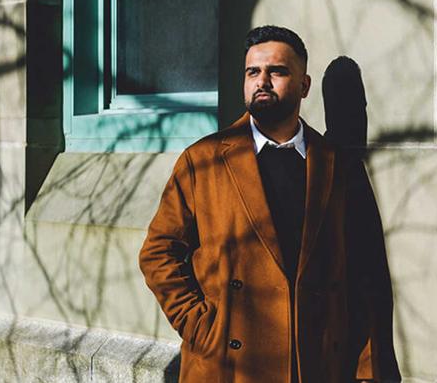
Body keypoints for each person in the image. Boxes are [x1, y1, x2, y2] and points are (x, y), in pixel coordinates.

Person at [139, 25, 401, 382]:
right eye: (252, 72)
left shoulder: (337, 165)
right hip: (228, 367)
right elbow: (158, 252)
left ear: (304, 86)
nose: (261, 81)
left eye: (276, 71)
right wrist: (201, 326)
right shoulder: (203, 160)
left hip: (317, 367)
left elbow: (365, 274)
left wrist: (367, 370)